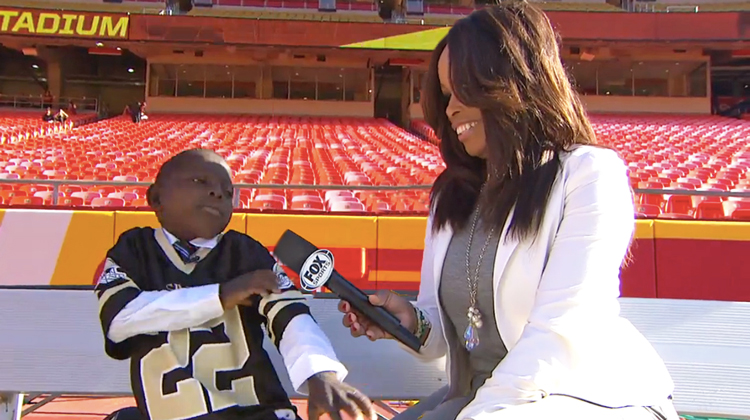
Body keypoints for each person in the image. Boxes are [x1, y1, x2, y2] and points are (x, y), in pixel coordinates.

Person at [338, 2, 679, 420]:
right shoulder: (451, 195)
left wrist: (478, 414)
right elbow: (449, 335)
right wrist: (410, 321)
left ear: (510, 81)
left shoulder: (589, 176)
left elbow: (559, 334)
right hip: (480, 399)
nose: (450, 109)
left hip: (581, 399)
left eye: (463, 89)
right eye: (445, 95)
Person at [94, 148, 375, 420]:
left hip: (261, 411)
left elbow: (290, 316)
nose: (217, 193)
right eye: (199, 181)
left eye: (228, 192)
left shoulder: (247, 253)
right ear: (156, 198)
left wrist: (320, 374)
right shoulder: (134, 248)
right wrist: (222, 294)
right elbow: (119, 319)